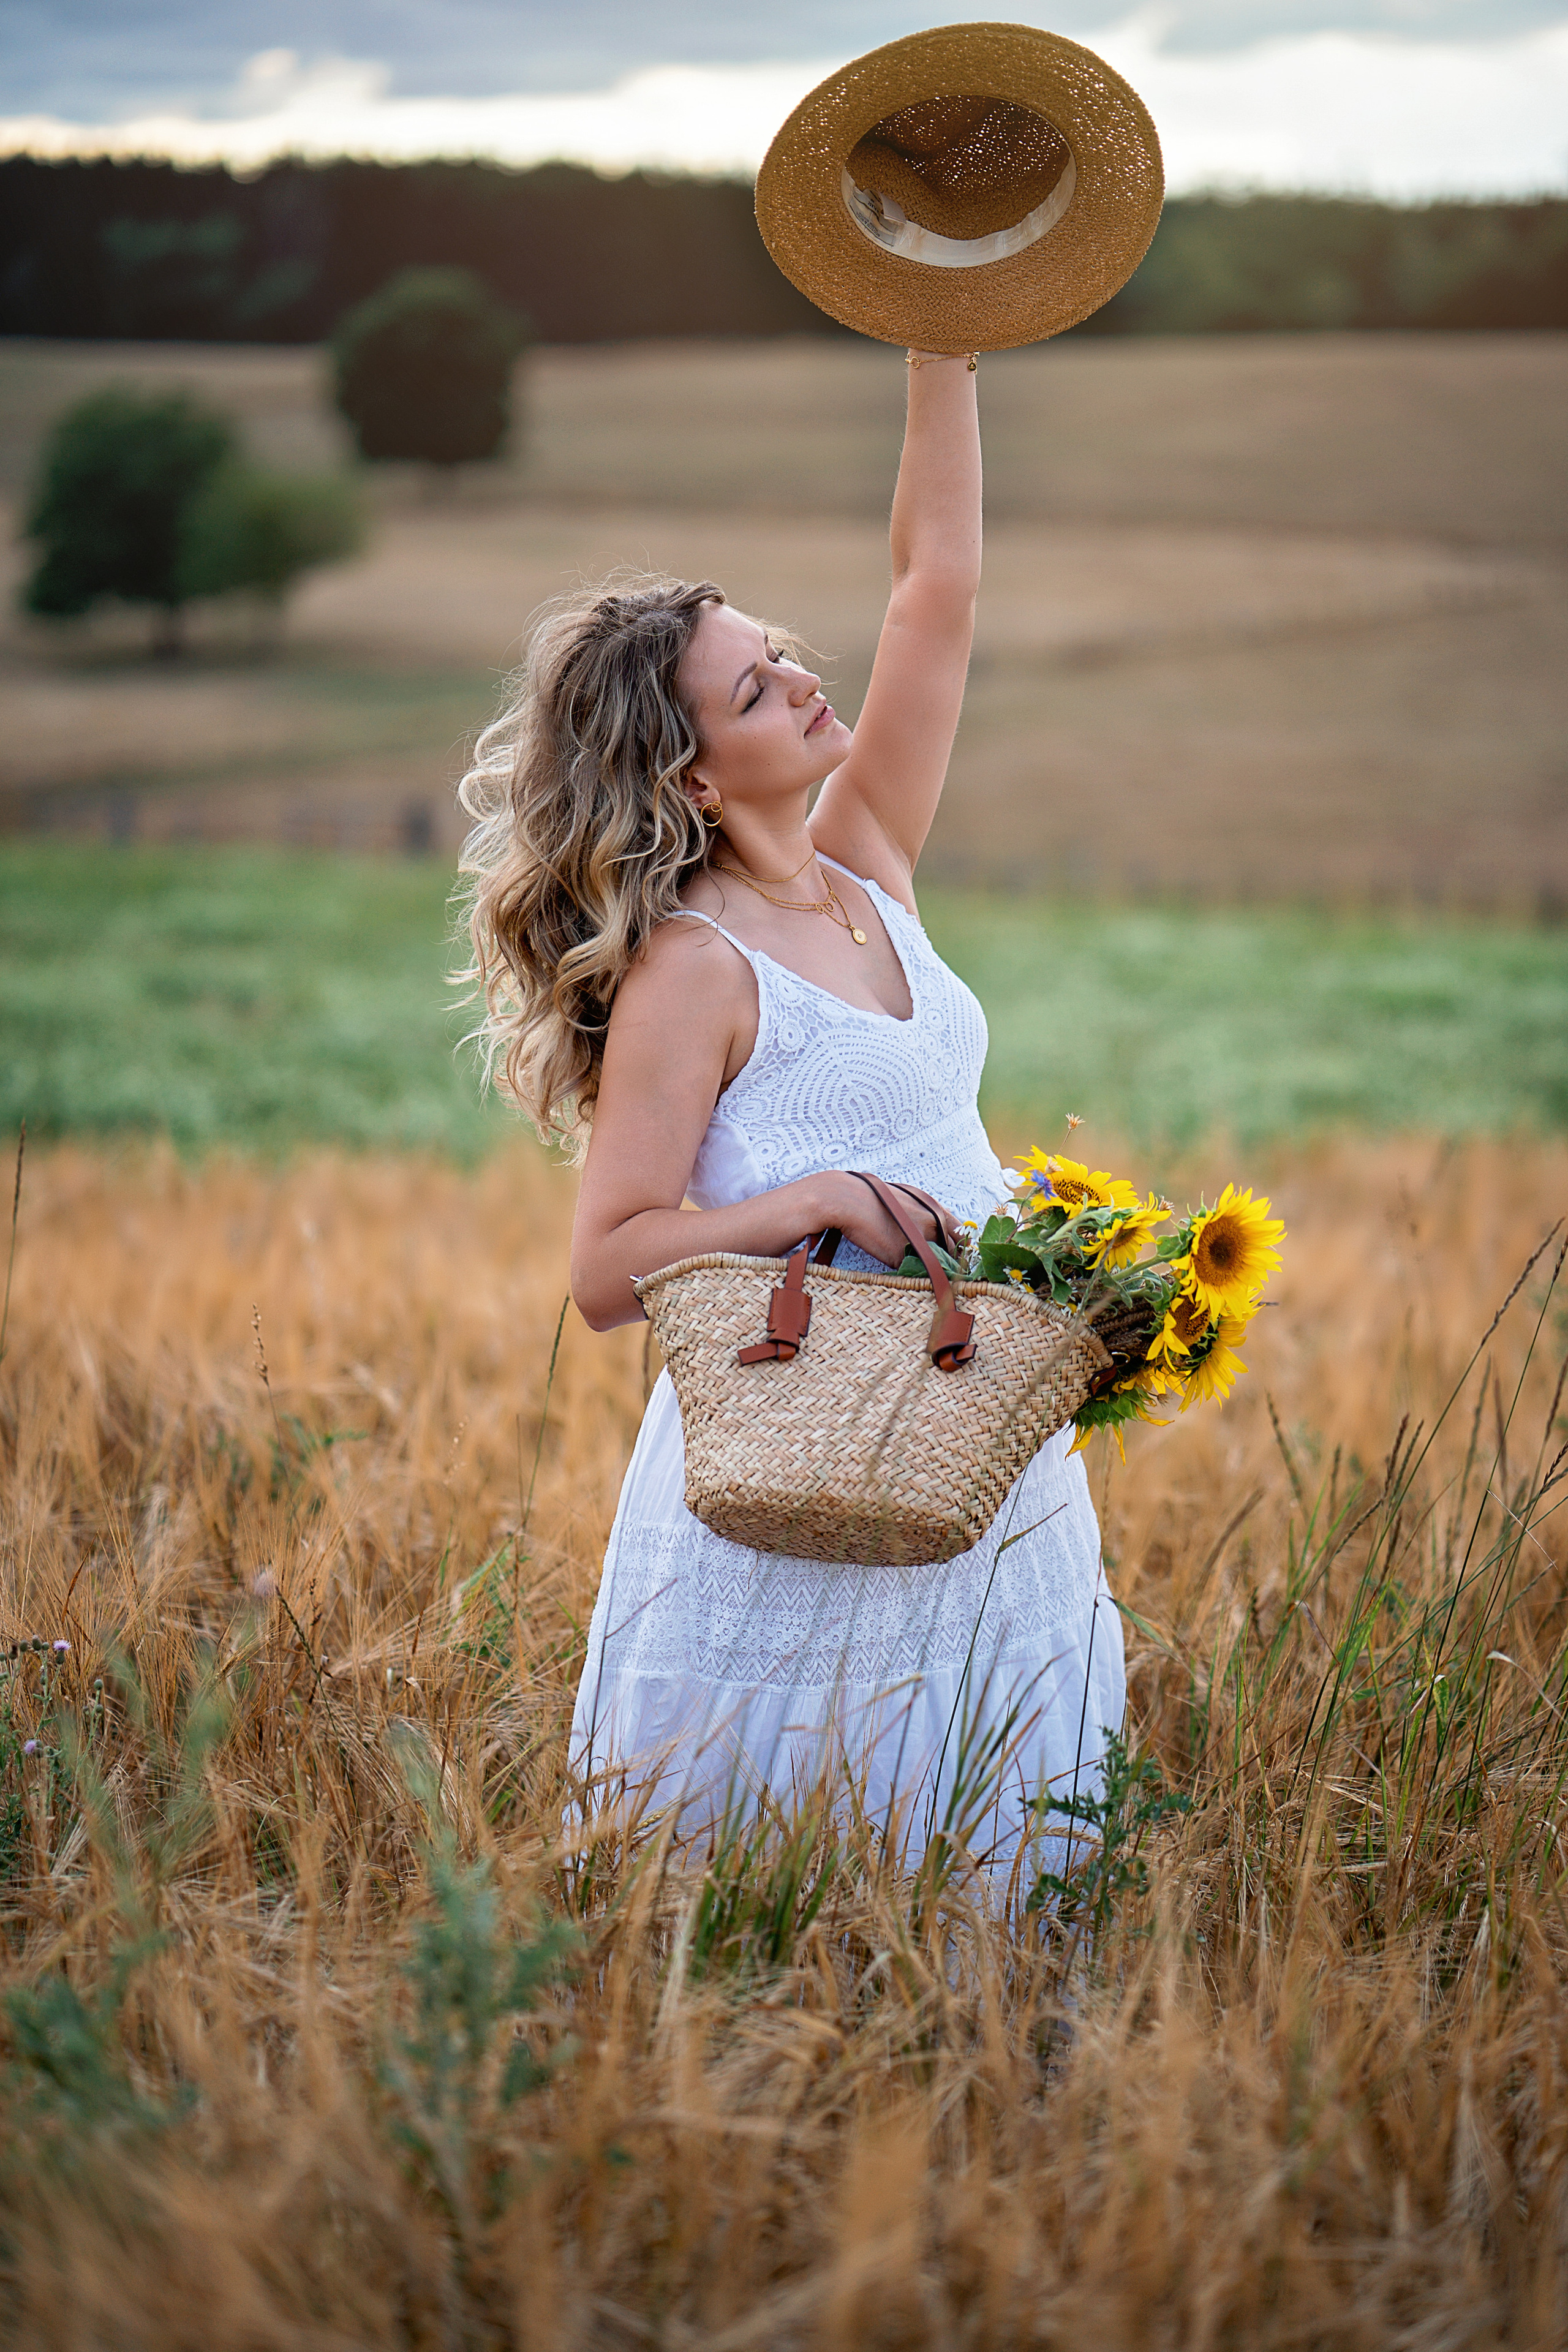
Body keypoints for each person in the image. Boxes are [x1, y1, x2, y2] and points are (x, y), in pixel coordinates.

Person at [459, 349, 1123, 1873]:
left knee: (997, 1851)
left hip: (972, 1435)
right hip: (797, 1463)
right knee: (788, 1875)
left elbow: (933, 591)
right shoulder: (691, 969)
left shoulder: (867, 857)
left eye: (781, 651)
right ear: (689, 776)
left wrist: (940, 340)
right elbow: (607, 1268)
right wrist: (800, 1204)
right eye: (757, 688)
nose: (804, 679)